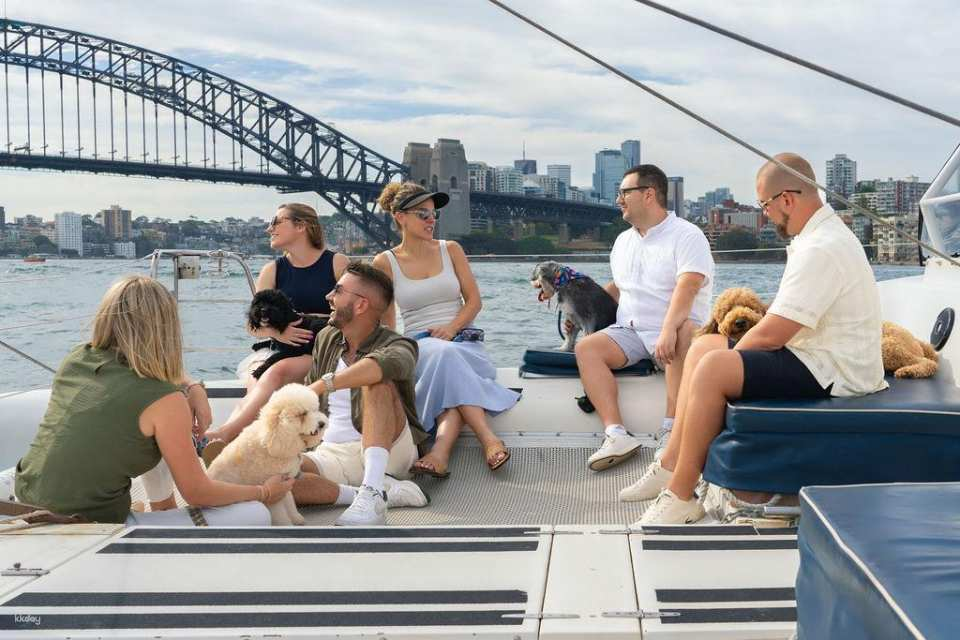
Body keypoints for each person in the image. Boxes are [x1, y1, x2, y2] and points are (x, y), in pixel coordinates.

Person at [629, 153, 888, 525]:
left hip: (836, 371)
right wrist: (721, 353)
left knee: (712, 365)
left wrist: (725, 362)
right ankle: (671, 463)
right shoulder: (817, 236)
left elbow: (772, 335)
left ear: (787, 199)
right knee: (703, 346)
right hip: (819, 355)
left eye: (765, 205)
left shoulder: (822, 247)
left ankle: (681, 495)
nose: (765, 214)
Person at [13, 275, 293, 525]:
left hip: (26, 498)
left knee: (154, 433)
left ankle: (160, 507)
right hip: (88, 523)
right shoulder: (165, 400)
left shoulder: (78, 358)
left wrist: (193, 386)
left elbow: (150, 371)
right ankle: (156, 515)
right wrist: (264, 492)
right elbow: (197, 492)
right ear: (165, 327)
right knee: (255, 514)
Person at [372, 182, 520, 477]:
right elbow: (387, 322)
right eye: (423, 214)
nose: (431, 220)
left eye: (433, 214)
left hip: (463, 341)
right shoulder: (384, 262)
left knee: (448, 361)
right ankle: (489, 439)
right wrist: (389, 361)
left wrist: (452, 328)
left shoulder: (451, 249)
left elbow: (474, 301)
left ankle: (439, 453)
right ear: (400, 217)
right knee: (444, 357)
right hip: (419, 345)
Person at [577, 164, 714, 471]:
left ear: (649, 194)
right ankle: (616, 434)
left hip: (676, 330)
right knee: (586, 348)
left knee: (685, 331)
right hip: (632, 331)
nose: (618, 200)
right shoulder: (623, 241)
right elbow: (619, 287)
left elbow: (689, 286)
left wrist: (668, 329)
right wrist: (582, 310)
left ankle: (671, 429)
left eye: (624, 193)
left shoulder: (687, 235)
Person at [292, 261, 430, 526]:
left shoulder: (399, 344)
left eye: (337, 291)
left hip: (391, 451)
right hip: (332, 452)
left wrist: (321, 385)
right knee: (273, 477)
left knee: (377, 381)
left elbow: (380, 366)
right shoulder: (327, 338)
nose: (328, 296)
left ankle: (374, 487)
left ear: (361, 305)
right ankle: (371, 494)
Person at [206, 203, 348, 448]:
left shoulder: (336, 263)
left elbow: (353, 311)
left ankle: (227, 435)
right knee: (255, 380)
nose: (269, 229)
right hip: (279, 348)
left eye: (276, 222)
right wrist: (279, 333)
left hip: (322, 349)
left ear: (301, 226)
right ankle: (234, 441)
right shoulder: (272, 270)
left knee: (274, 372)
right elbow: (253, 326)